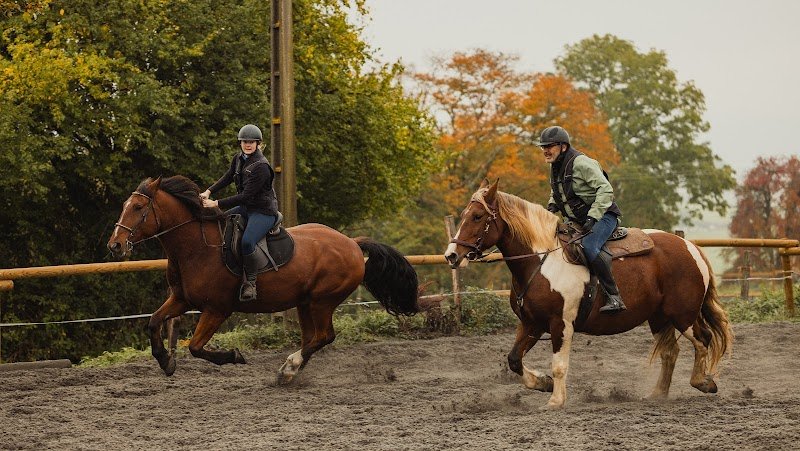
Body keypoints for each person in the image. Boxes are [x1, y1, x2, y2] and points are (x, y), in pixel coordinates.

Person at [537, 125, 626, 313]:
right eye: (543, 146)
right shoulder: (556, 165)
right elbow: (557, 191)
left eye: (550, 146)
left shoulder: (581, 163)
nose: (545, 150)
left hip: (604, 216)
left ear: (563, 146)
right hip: (578, 220)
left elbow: (606, 189)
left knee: (588, 246)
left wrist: (593, 217)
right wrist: (552, 205)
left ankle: (614, 296)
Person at [201, 124, 279, 302]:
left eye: (251, 142)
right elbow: (228, 177)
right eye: (245, 142)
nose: (248, 145)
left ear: (258, 144)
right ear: (241, 143)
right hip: (247, 209)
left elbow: (245, 196)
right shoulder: (239, 158)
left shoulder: (261, 167)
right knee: (220, 223)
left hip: (263, 211)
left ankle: (250, 283)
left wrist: (216, 203)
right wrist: (208, 191)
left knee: (247, 242)